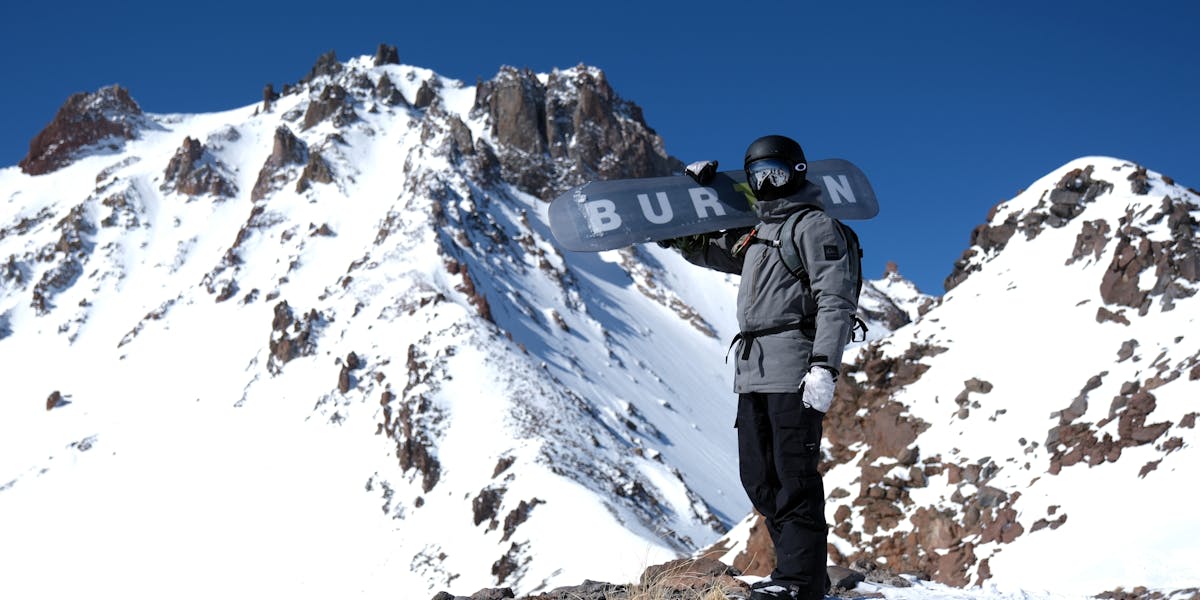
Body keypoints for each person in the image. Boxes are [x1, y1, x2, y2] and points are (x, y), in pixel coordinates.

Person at [661, 135, 859, 600]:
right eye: (756, 176)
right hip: (752, 372)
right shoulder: (757, 234)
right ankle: (794, 575)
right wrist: (695, 202)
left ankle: (800, 581)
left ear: (798, 171)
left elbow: (836, 299)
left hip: (794, 368)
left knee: (794, 476)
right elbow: (705, 250)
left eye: (774, 172)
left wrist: (824, 366)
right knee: (759, 477)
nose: (765, 183)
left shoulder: (814, 227)